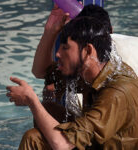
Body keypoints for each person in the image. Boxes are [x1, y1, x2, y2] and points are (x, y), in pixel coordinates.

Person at [7, 16, 138, 150]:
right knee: (40, 124)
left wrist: (31, 100)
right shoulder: (86, 69)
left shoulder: (117, 92)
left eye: (66, 47)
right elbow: (40, 71)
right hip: (94, 143)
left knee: (39, 124)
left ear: (87, 51)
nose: (58, 54)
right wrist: (50, 31)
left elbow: (62, 145)